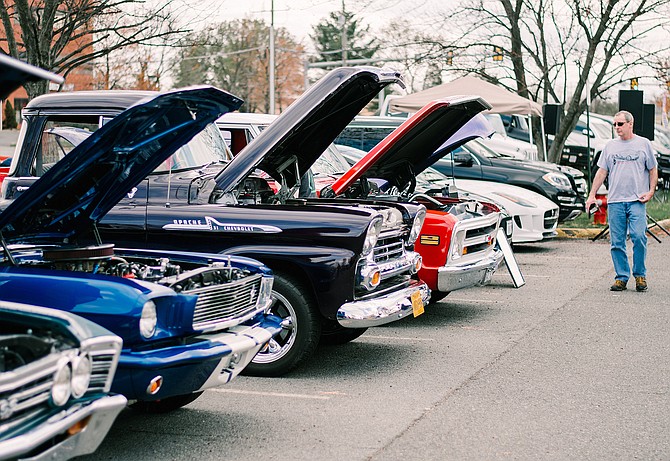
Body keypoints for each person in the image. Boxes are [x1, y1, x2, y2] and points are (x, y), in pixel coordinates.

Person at [585, 110, 658, 292]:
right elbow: (602, 171)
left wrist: (650, 191)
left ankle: (640, 275)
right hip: (615, 200)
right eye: (614, 124)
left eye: (620, 124)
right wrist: (592, 195)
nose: (616, 127)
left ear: (630, 124)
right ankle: (621, 277)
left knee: (639, 236)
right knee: (616, 241)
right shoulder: (610, 146)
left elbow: (652, 169)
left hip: (637, 200)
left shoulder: (643, 144)